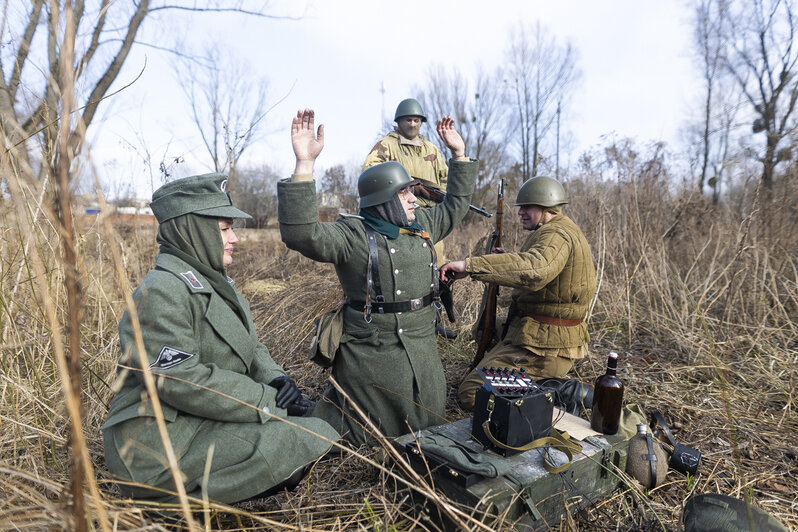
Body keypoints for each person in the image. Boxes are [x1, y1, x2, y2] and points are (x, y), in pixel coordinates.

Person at [101, 173, 339, 504]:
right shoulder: (161, 292)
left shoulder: (213, 281)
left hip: (201, 421)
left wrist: (275, 377)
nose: (235, 239)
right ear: (194, 230)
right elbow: (180, 380)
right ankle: (171, 503)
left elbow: (251, 345)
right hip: (159, 447)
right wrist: (265, 401)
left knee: (319, 425)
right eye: (225, 229)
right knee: (297, 439)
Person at [279, 109, 477, 446]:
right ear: (384, 199)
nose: (414, 199)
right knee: (364, 433)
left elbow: (456, 205)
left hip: (422, 351)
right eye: (404, 193)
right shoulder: (353, 235)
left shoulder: (422, 227)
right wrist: (304, 165)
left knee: (429, 423)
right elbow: (301, 234)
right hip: (371, 352)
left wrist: (459, 155)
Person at [440, 176, 598, 411]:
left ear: (546, 207)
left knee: (472, 394)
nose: (521, 212)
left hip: (545, 348)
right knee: (484, 328)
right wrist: (504, 262)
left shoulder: (556, 234)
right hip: (542, 336)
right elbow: (538, 269)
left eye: (527, 207)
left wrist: (469, 266)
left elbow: (537, 269)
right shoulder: (555, 230)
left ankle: (559, 393)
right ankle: (523, 378)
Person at [363, 98, 457, 338]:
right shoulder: (387, 146)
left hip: (428, 219)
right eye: (408, 119)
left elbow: (446, 182)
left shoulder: (431, 149)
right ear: (399, 121)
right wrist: (404, 187)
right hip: (397, 220)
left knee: (436, 271)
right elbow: (370, 175)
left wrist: (434, 194)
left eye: (416, 120)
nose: (412, 123)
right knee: (403, 273)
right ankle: (401, 325)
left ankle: (433, 321)